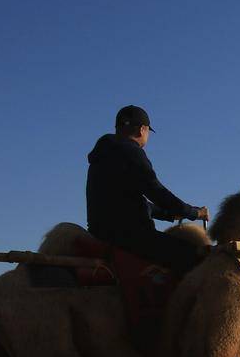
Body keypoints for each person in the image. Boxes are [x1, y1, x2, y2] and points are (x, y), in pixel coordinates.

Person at [86, 105, 209, 274]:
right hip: (131, 237)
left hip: (100, 233)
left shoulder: (101, 156)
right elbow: (155, 190)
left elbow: (129, 202)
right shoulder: (131, 151)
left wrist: (171, 214)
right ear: (142, 130)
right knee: (198, 258)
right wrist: (194, 213)